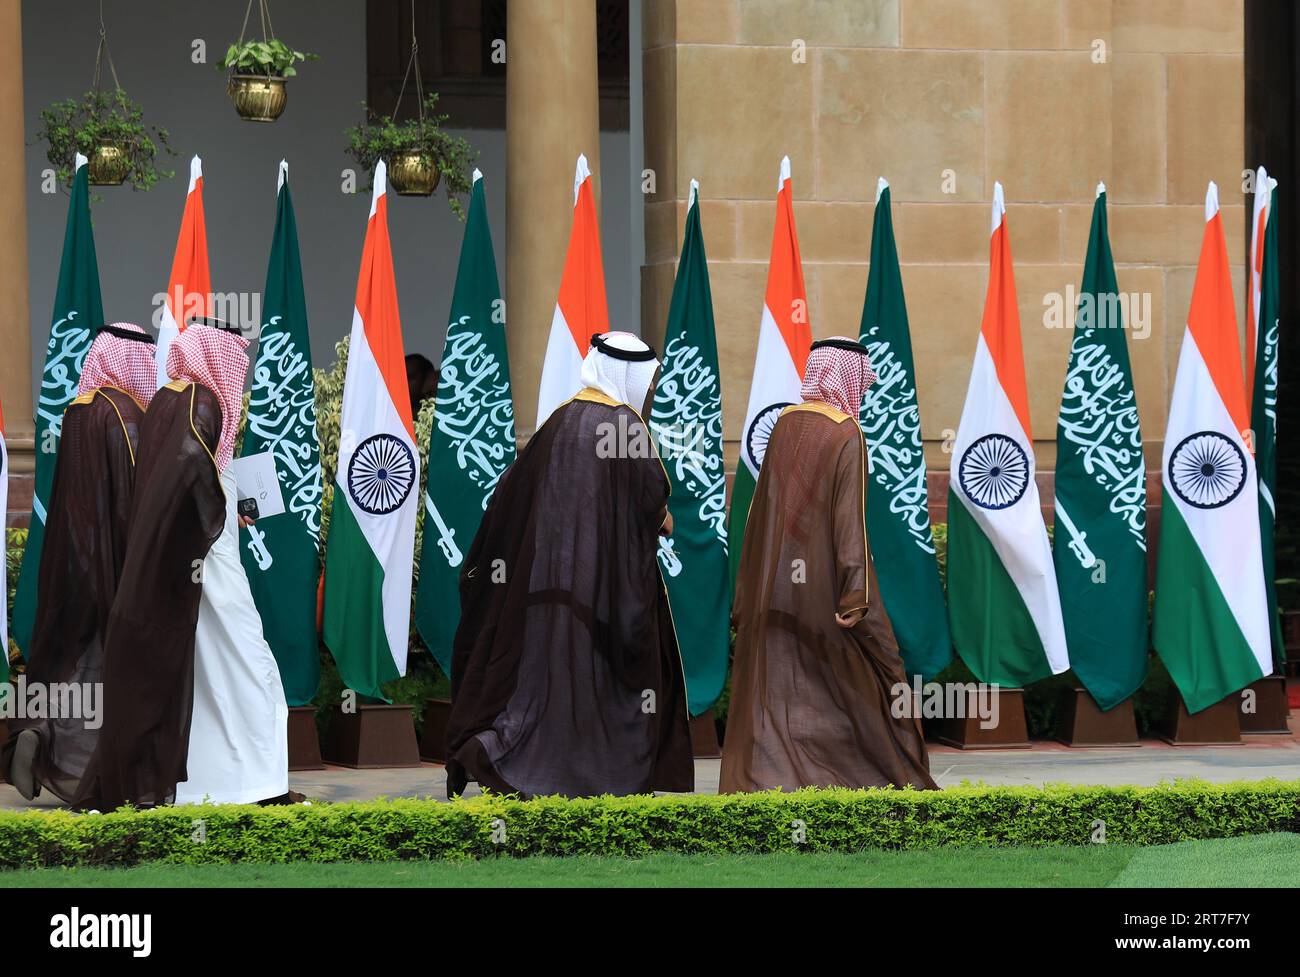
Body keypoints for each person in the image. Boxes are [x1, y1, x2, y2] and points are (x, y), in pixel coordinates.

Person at [445, 331, 693, 799]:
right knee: (599, 687)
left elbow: (511, 495)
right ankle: (594, 776)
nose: (649, 393)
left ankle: (498, 752)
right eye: (647, 382)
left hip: (544, 593)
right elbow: (650, 497)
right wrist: (662, 520)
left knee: (545, 690)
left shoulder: (559, 421)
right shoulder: (622, 426)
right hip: (602, 593)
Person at [72, 320, 289, 809]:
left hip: (184, 560)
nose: (242, 371)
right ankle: (259, 783)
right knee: (249, 661)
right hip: (205, 562)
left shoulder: (171, 398)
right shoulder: (203, 403)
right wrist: (217, 513)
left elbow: (181, 473)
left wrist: (224, 505)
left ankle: (218, 784)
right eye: (237, 357)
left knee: (206, 671)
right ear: (218, 355)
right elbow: (186, 475)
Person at [720, 337, 937, 792]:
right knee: (878, 673)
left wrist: (750, 589)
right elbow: (848, 522)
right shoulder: (845, 433)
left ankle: (775, 780)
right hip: (828, 588)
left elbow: (761, 511)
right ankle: (880, 778)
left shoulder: (784, 422)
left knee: (786, 680)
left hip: (776, 587)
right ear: (847, 377)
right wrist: (856, 594)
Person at [4, 324, 157, 801]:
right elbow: (133, 503)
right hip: (116, 565)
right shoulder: (127, 417)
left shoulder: (79, 410)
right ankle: (97, 777)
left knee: (77, 670)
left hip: (73, 565)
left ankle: (42, 734)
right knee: (113, 673)